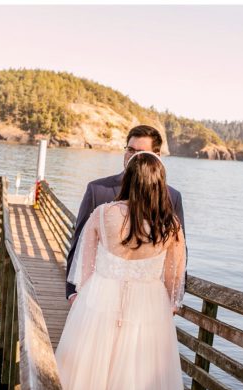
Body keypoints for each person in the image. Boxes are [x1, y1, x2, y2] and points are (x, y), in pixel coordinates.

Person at [53, 151, 191, 390]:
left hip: (101, 302)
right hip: (148, 308)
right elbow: (175, 285)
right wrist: (164, 304)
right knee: (136, 386)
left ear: (128, 179)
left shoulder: (104, 215)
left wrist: (86, 298)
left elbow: (82, 270)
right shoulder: (170, 226)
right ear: (160, 185)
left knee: (91, 382)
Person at [65, 125, 186, 304]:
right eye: (130, 150)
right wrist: (72, 292)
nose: (133, 156)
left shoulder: (172, 197)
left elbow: (178, 252)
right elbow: (79, 242)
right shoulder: (97, 189)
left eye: (140, 152)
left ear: (156, 156)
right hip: (100, 295)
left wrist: (174, 299)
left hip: (145, 300)